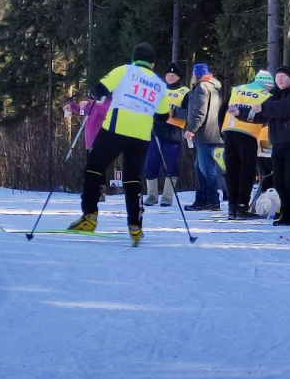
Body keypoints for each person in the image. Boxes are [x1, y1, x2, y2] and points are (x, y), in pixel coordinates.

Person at [67, 43, 171, 244]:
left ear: (134, 58)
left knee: (94, 168)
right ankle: (135, 225)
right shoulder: (159, 84)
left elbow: (99, 89)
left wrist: (97, 95)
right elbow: (163, 116)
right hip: (141, 135)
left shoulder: (125, 70)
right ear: (152, 63)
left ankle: (89, 216)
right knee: (132, 179)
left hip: (117, 127)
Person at [254, 66, 290, 227]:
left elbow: (288, 108)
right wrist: (243, 114)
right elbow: (261, 114)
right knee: (278, 182)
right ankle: (286, 213)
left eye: (283, 76)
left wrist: (263, 108)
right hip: (277, 145)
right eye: (277, 77)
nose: (279, 80)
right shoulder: (274, 96)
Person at [222, 69, 274, 219]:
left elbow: (222, 109)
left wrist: (222, 129)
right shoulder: (266, 95)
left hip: (229, 130)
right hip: (248, 133)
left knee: (232, 170)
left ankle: (232, 207)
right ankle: (242, 207)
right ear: (267, 85)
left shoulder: (238, 89)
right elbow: (265, 117)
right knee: (247, 171)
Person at [144, 63, 189, 207]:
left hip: (173, 132)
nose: (170, 77)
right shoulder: (159, 89)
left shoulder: (185, 92)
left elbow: (189, 113)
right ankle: (152, 195)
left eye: (173, 75)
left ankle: (167, 196)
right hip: (156, 130)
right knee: (151, 162)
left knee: (170, 164)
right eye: (168, 75)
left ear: (178, 77)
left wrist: (174, 111)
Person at [183, 63, 224, 212]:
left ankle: (212, 200)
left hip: (205, 133)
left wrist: (191, 129)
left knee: (207, 169)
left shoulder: (202, 88)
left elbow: (199, 112)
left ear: (197, 74)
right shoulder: (215, 87)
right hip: (212, 132)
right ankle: (201, 199)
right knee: (199, 167)